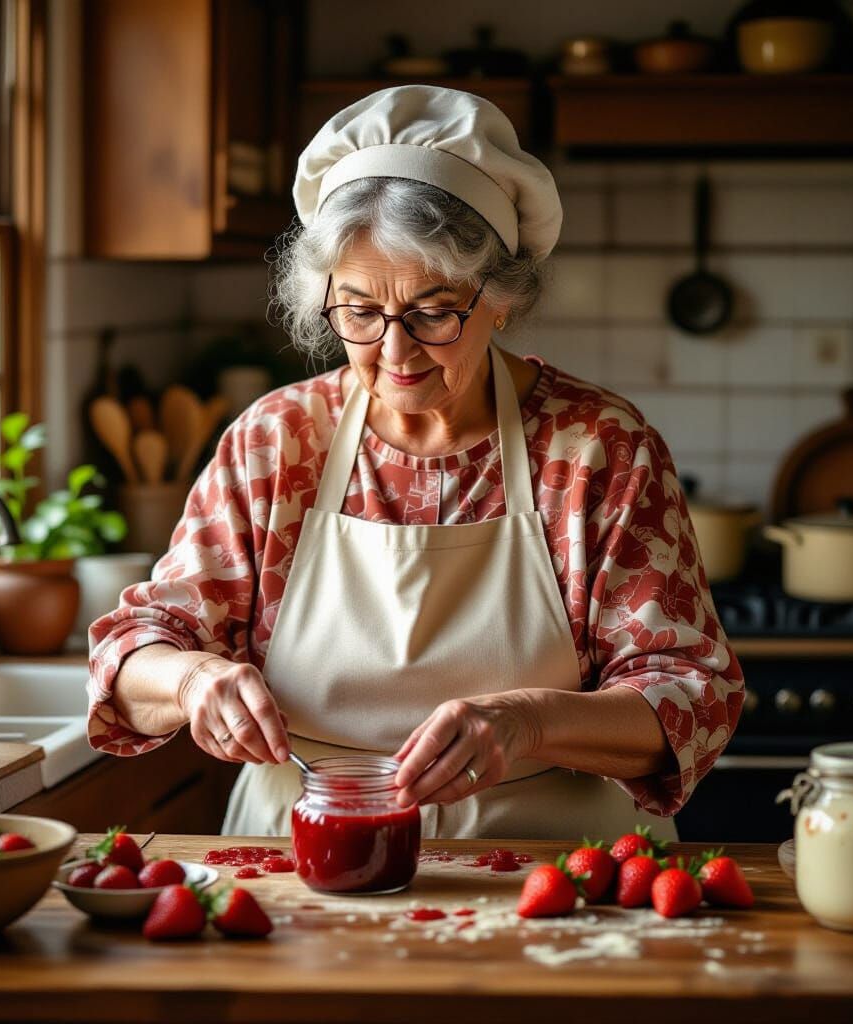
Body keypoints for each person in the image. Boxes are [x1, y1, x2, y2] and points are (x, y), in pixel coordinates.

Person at [87, 85, 744, 840]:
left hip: (553, 867)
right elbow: (132, 652)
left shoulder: (597, 449)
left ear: (500, 298)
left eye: (434, 311)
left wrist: (526, 722)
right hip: (298, 854)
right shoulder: (277, 444)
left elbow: (693, 695)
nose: (395, 352)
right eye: (361, 311)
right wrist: (194, 679)